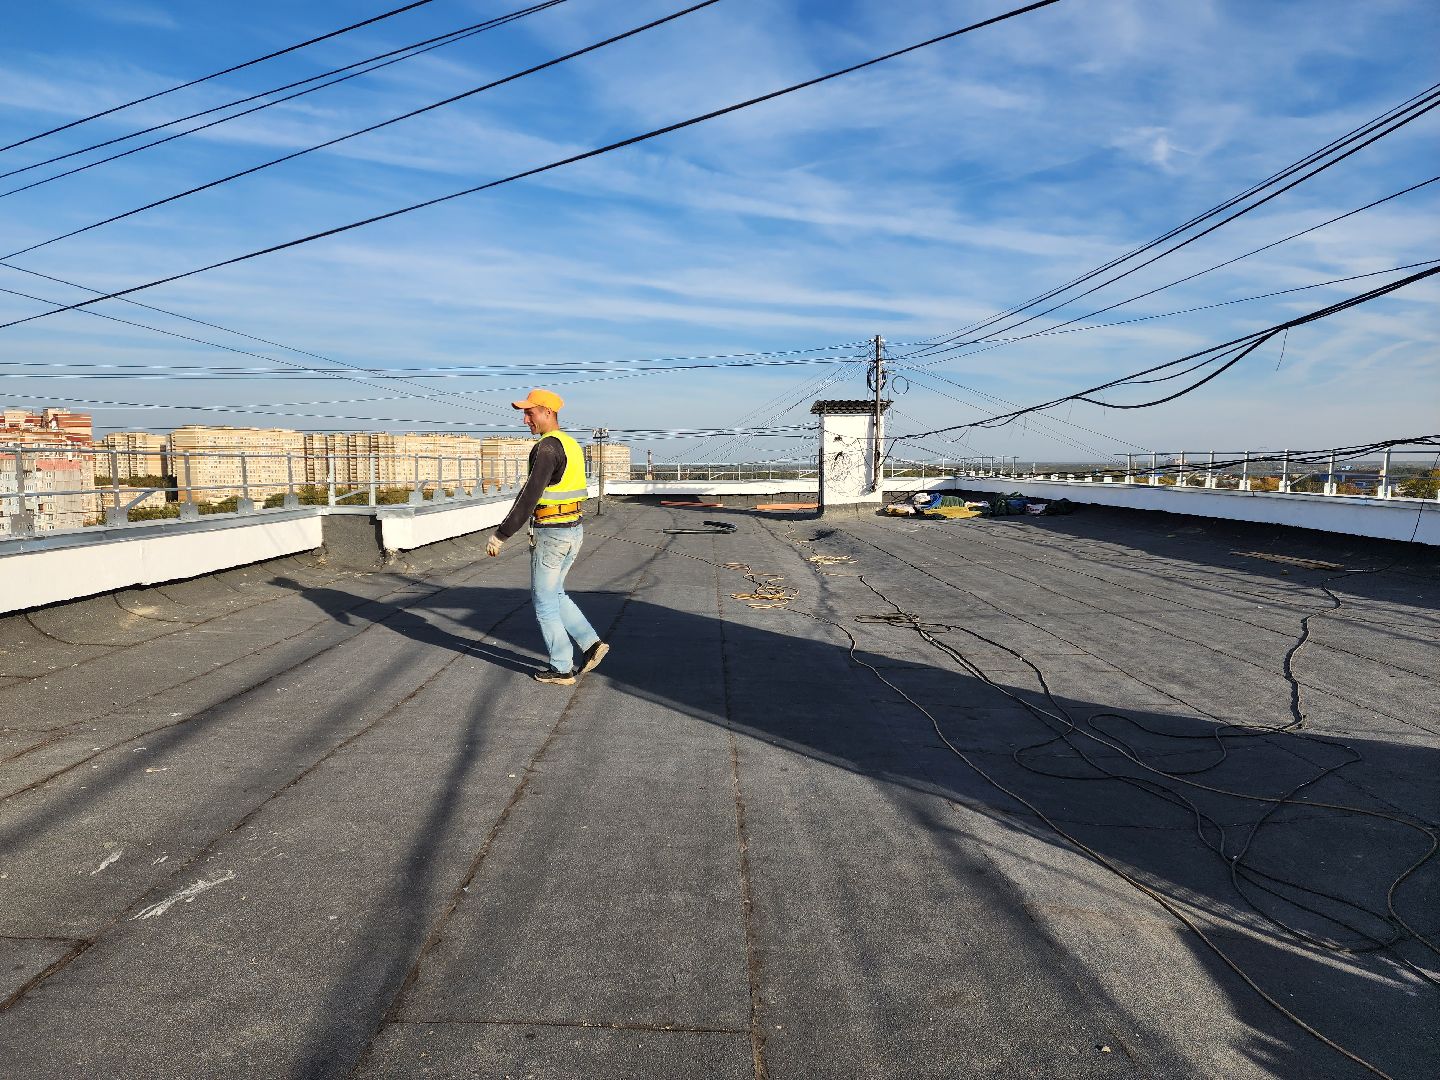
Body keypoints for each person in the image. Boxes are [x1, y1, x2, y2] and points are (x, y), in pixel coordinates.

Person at [486, 389, 608, 685]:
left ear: (548, 413)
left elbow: (529, 495)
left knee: (543, 601)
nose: (525, 419)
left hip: (551, 533)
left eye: (530, 413)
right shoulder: (571, 445)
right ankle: (591, 644)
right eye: (525, 413)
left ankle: (562, 667)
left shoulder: (547, 448)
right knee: (555, 593)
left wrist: (501, 535)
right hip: (572, 529)